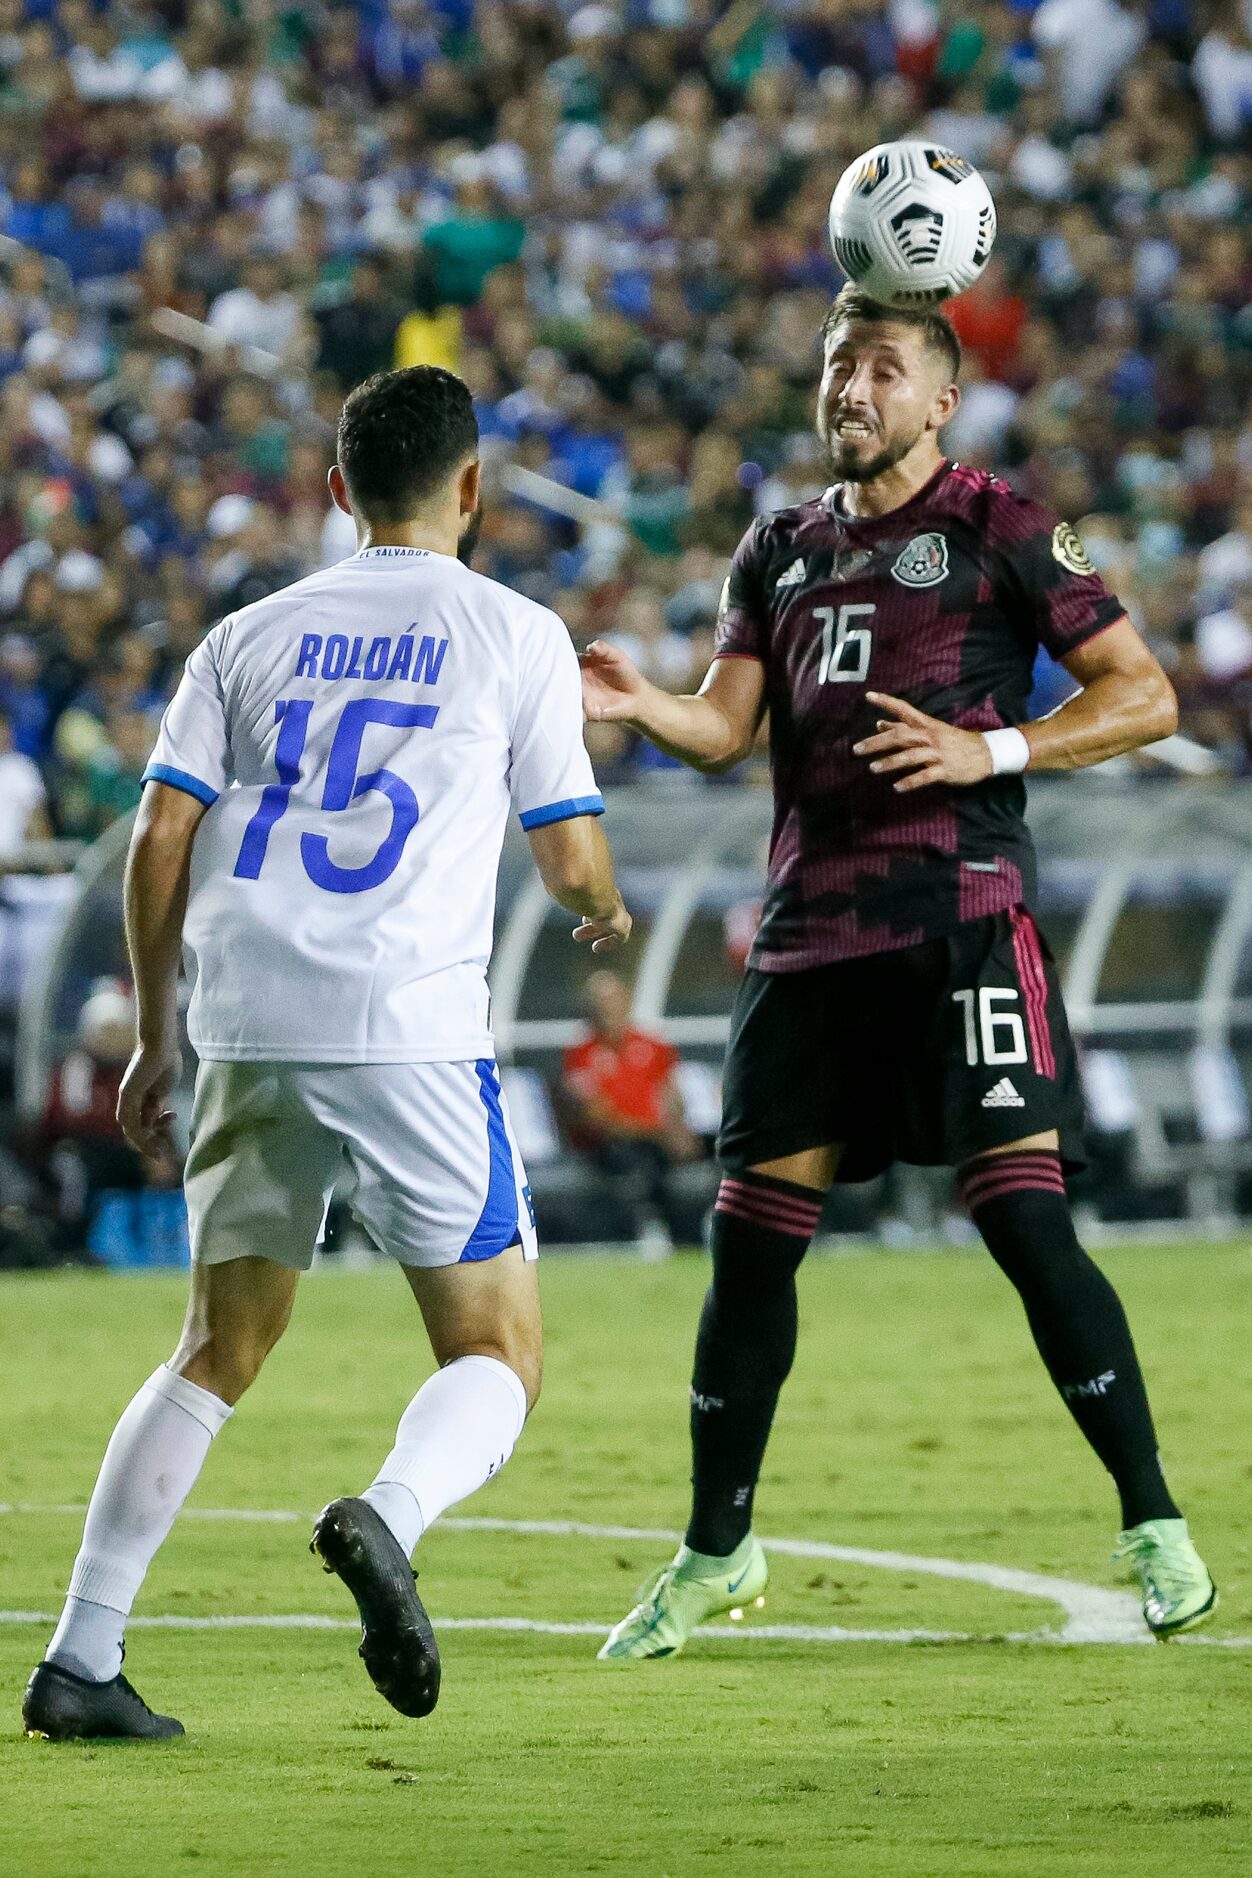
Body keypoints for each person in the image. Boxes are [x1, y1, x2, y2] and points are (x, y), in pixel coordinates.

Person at [583, 284, 1215, 1661]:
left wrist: (991, 750)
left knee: (1023, 1220)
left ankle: (1155, 1520)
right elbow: (727, 724)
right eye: (837, 364)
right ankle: (715, 1552)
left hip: (962, 920)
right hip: (808, 940)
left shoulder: (1002, 524)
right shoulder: (780, 546)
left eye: (881, 367)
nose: (850, 387)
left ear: (940, 399)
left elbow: (1145, 695)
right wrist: (644, 710)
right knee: (746, 1246)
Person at [23, 365, 630, 1742]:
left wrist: (157, 1025)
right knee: (496, 1346)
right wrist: (601, 908)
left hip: (243, 1019)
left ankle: (82, 1655)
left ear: (340, 488)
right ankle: (390, 1514)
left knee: (219, 1344)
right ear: (472, 486)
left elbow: (162, 832)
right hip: (405, 1024)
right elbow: (570, 852)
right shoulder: (515, 630)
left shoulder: (246, 637)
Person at [560, 968, 702, 1246]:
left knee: (706, 1151)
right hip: (611, 1146)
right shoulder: (580, 1054)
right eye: (600, 1004)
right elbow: (595, 1117)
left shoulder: (653, 1046)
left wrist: (677, 1130)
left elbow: (672, 1096)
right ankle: (646, 1237)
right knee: (638, 1160)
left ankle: (691, 1243)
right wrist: (655, 1132)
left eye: (613, 1001)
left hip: (656, 1141)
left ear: (626, 1002)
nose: (607, 1010)